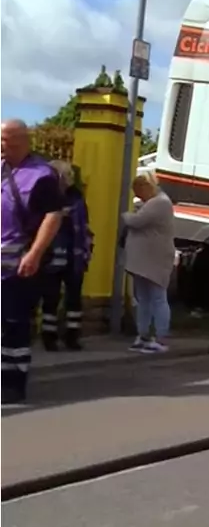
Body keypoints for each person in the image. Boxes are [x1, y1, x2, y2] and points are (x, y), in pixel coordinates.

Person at [1, 120, 64, 403]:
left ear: (22, 141)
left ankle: (14, 382)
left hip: (21, 264)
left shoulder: (41, 176)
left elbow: (53, 215)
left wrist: (35, 253)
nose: (2, 146)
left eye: (6, 140)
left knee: (14, 322)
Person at [41, 161, 93, 351]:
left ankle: (72, 336)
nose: (68, 178)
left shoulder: (77, 197)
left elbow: (85, 225)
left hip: (74, 254)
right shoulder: (46, 196)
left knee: (74, 299)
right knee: (50, 297)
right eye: (65, 175)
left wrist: (87, 249)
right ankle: (49, 337)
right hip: (52, 254)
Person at [123, 170, 176, 354]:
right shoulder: (156, 202)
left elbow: (137, 221)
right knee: (144, 298)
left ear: (147, 187)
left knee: (157, 298)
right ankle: (143, 335)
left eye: (138, 191)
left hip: (155, 260)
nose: (137, 196)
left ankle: (160, 338)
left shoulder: (159, 203)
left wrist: (125, 216)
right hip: (146, 261)